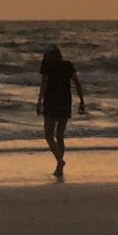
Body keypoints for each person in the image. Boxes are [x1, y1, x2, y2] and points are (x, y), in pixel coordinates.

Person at [36, 45, 86, 177]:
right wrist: (82, 100)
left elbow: (44, 85)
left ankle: (60, 161)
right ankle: (59, 166)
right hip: (65, 102)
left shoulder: (47, 66)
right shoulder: (68, 65)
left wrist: (39, 102)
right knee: (59, 136)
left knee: (48, 135)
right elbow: (77, 83)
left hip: (51, 102)